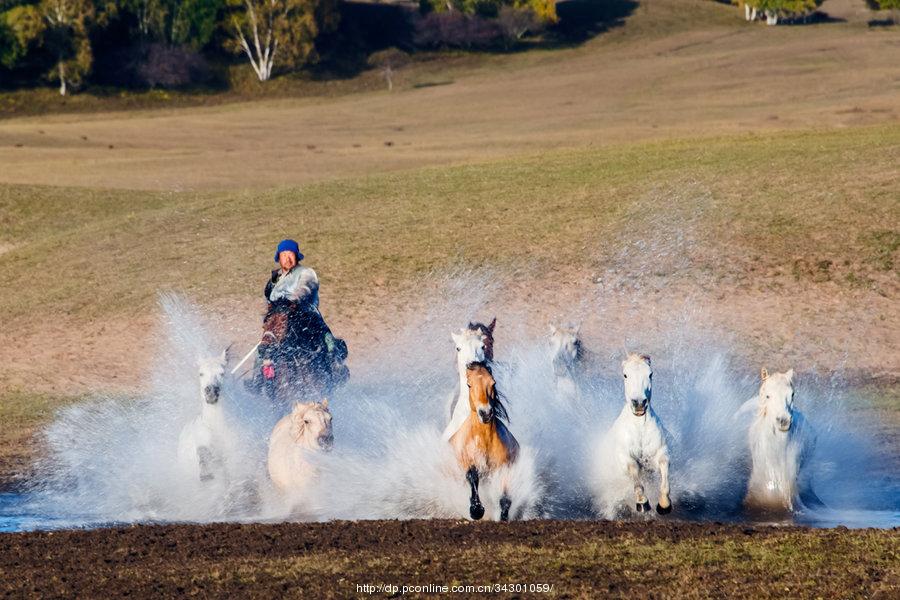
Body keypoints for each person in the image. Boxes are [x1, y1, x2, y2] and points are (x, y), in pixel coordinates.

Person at [250, 239, 347, 397]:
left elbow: (305, 287)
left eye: (290, 255)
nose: (287, 258)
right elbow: (269, 298)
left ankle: (336, 367)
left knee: (327, 339)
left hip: (306, 316)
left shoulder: (306, 273)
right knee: (263, 347)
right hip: (279, 319)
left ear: (296, 256)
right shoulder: (275, 279)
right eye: (284, 255)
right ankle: (258, 379)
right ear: (279, 257)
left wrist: (293, 300)